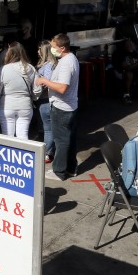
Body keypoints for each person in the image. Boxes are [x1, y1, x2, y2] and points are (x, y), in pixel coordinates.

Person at [36, 33, 79, 180]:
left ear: (62, 48)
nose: (52, 49)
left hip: (62, 107)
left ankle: (59, 171)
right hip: (69, 105)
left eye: (54, 47)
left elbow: (62, 88)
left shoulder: (67, 63)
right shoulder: (69, 59)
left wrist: (44, 81)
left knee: (61, 140)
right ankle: (71, 168)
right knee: (70, 138)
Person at [0, 42, 41, 139]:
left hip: (6, 106)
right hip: (25, 106)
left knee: (7, 137)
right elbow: (37, 89)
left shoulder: (3, 69)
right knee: (23, 136)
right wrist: (33, 98)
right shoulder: (30, 68)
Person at [35, 40, 56, 163]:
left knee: (48, 128)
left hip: (45, 100)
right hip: (46, 100)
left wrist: (38, 85)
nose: (37, 51)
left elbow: (47, 83)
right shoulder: (52, 64)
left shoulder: (47, 66)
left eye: (39, 49)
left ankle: (47, 153)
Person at [112, 37, 138, 104]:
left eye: (132, 45)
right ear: (125, 46)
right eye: (130, 45)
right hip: (120, 72)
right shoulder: (119, 54)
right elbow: (127, 68)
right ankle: (126, 95)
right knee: (129, 74)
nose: (132, 47)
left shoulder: (131, 51)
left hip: (131, 69)